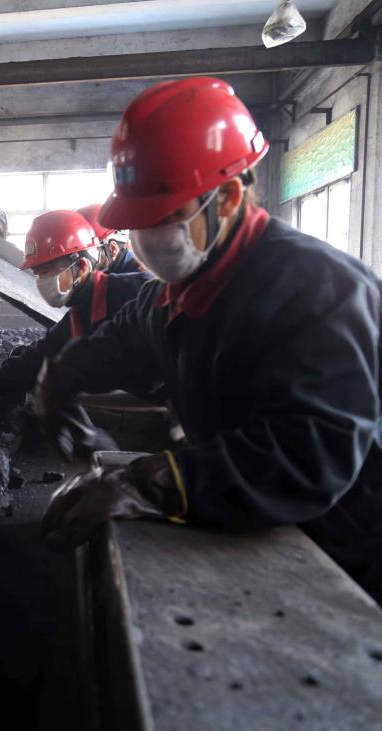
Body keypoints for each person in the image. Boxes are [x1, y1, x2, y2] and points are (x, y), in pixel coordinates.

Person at [36, 77, 382, 602]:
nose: (146, 237)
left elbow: (308, 453)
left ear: (228, 198)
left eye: (163, 216)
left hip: (348, 548)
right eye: (137, 221)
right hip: (262, 524)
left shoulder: (319, 293)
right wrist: (60, 377)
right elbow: (124, 338)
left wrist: (149, 482)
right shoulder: (182, 288)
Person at [0, 209, 151, 406]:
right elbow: (34, 360)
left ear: (82, 267)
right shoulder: (78, 314)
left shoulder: (137, 292)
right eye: (38, 274)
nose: (42, 281)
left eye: (47, 272)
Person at [77, 203, 139, 274]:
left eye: (93, 261)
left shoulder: (139, 276)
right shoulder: (122, 273)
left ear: (112, 249)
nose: (85, 269)